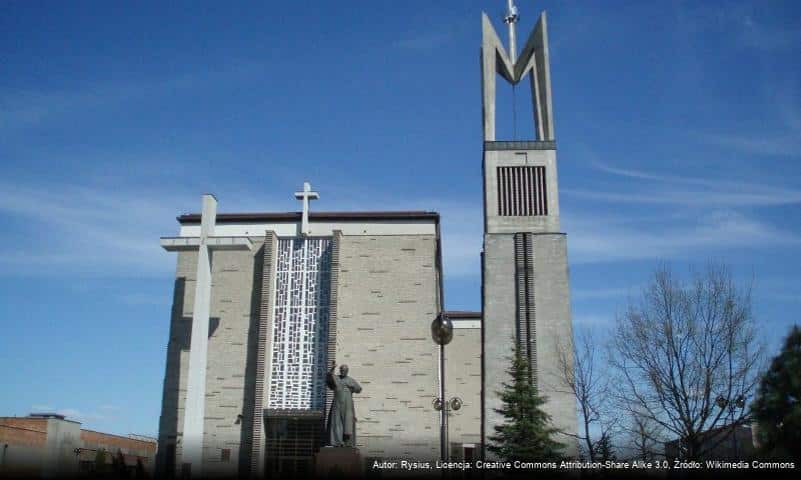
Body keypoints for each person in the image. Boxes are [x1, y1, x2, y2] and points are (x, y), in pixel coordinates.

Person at [326, 362, 362, 447]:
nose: (343, 371)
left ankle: (347, 442)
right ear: (340, 370)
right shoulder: (336, 378)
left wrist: (351, 386)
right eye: (341, 370)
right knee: (336, 422)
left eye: (345, 370)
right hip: (337, 403)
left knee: (347, 423)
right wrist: (332, 368)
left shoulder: (350, 380)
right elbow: (329, 378)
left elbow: (359, 389)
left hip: (348, 404)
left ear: (347, 371)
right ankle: (337, 442)